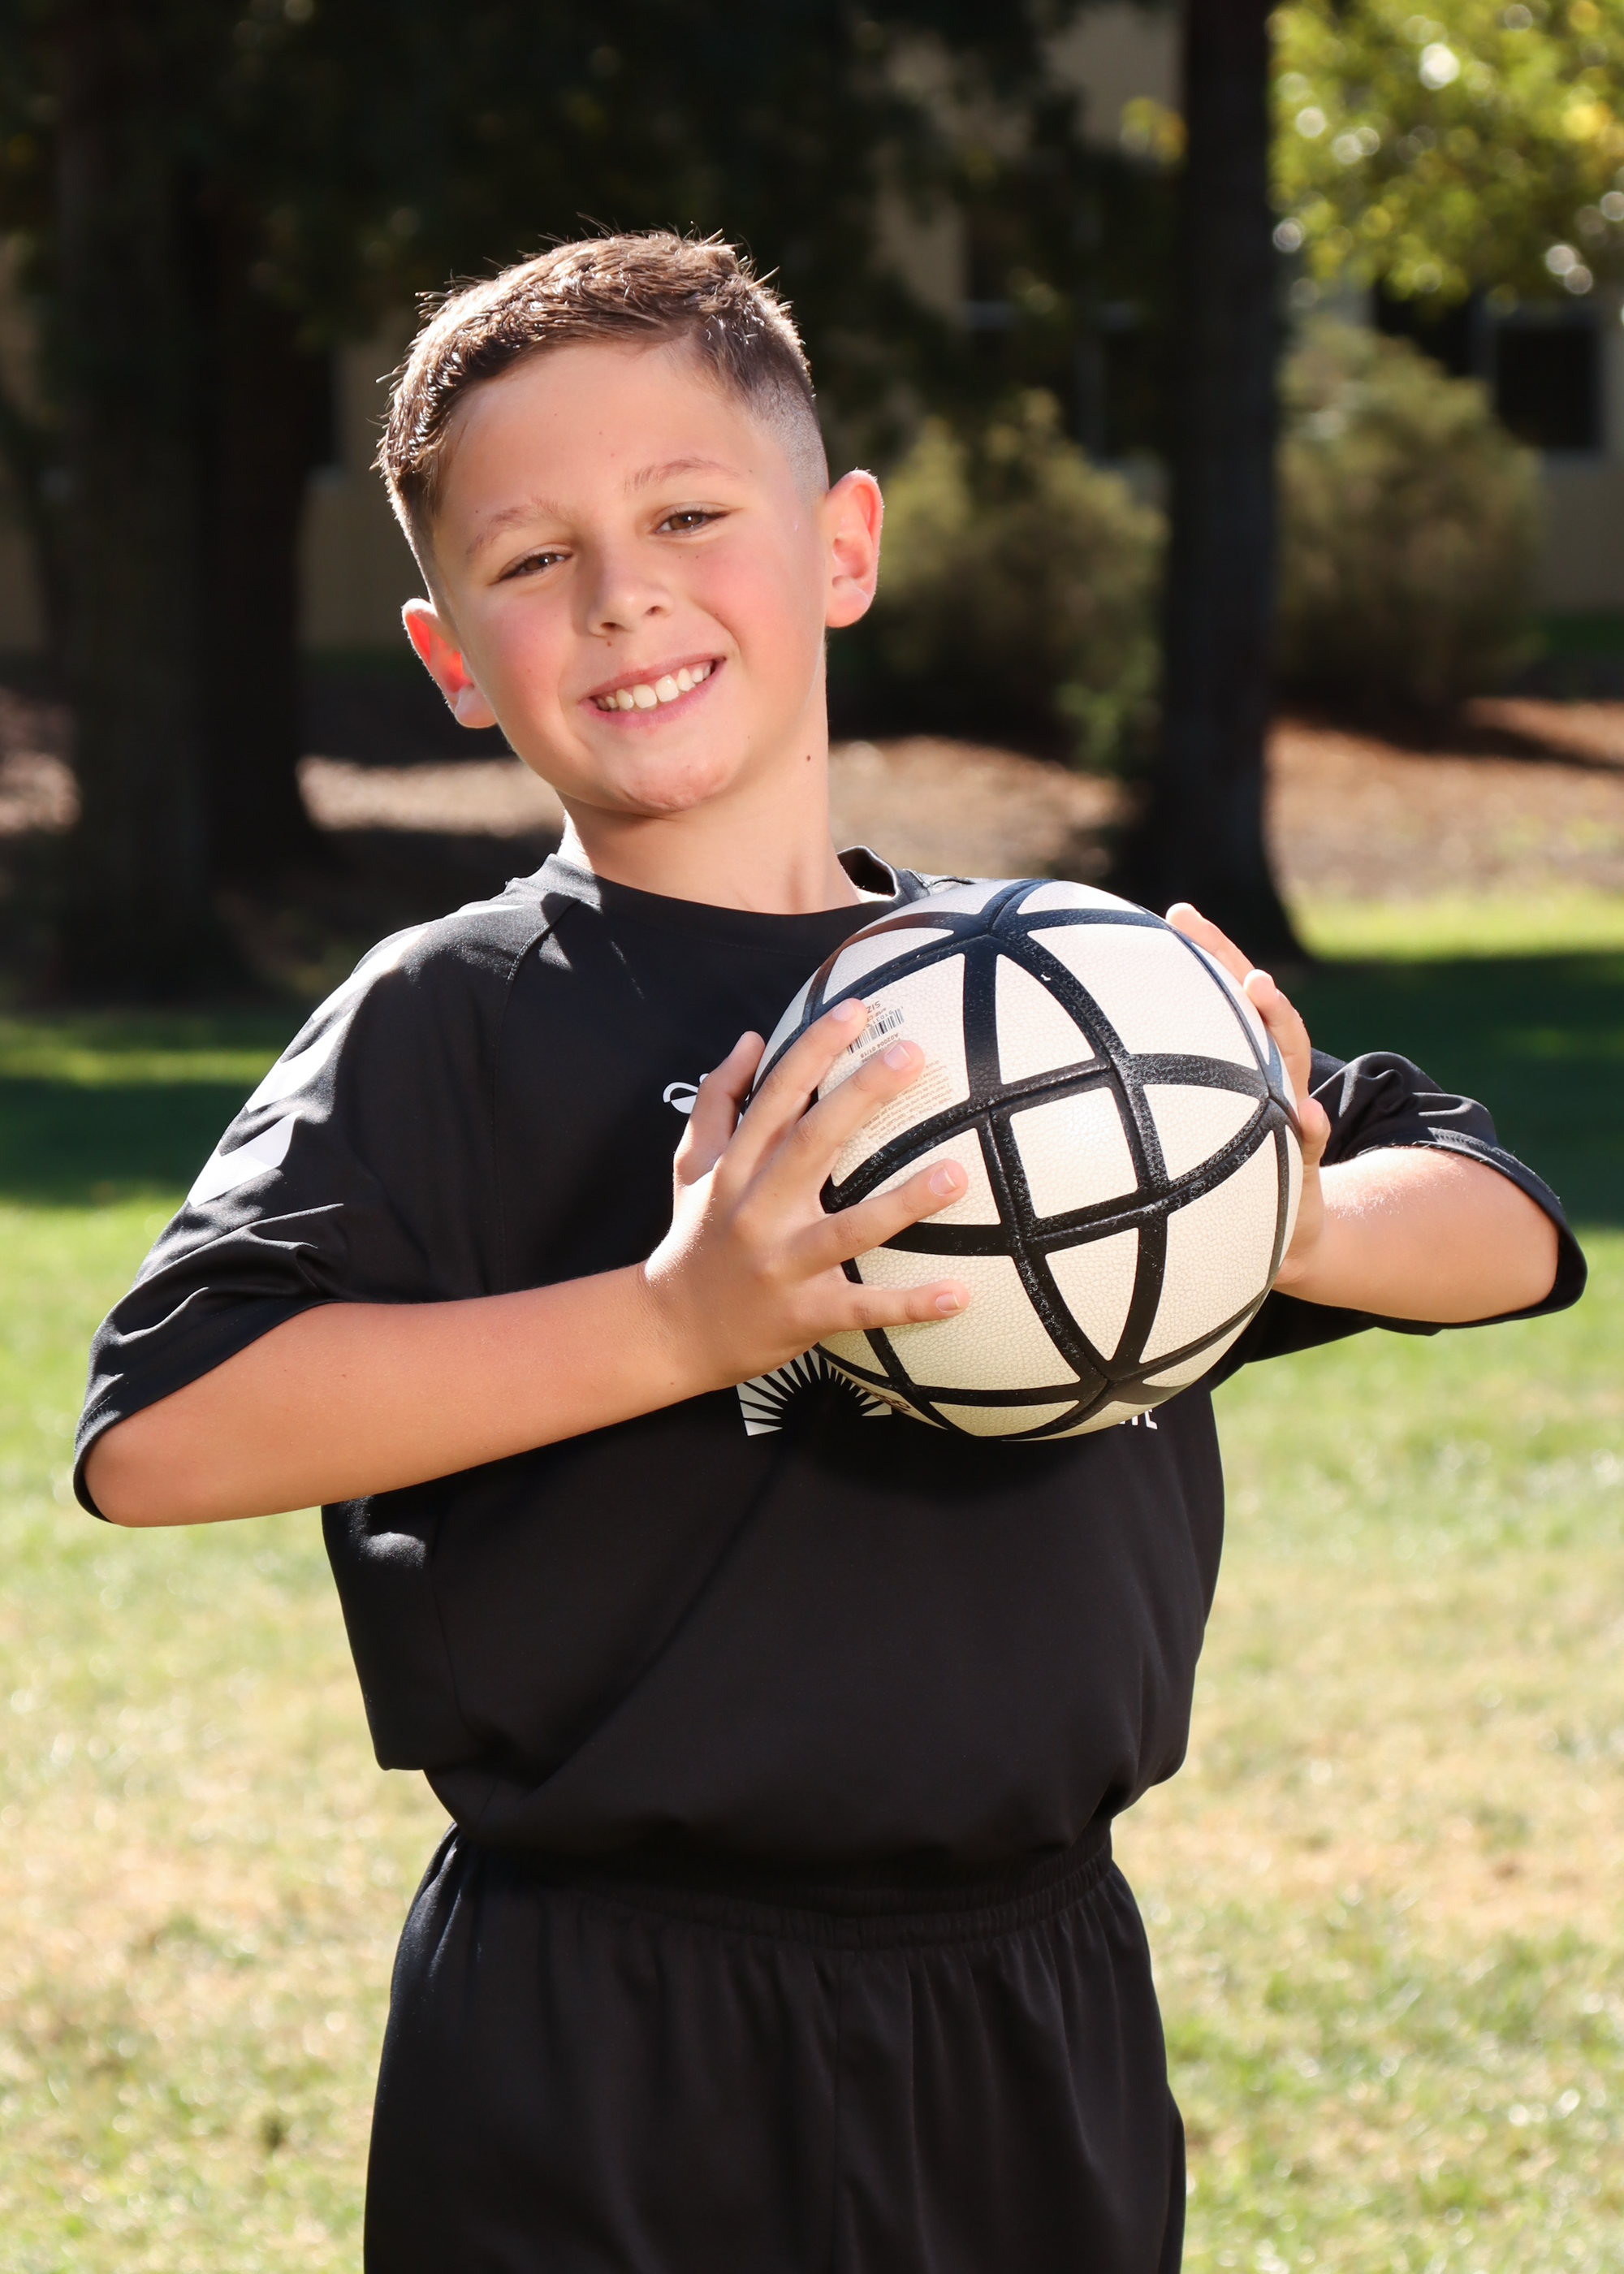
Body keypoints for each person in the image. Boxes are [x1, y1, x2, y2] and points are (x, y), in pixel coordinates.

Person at [74, 234, 1583, 2274]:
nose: (622, 593)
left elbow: (1501, 1223)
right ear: (450, 656)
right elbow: (160, 1433)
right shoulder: (455, 1016)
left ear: (843, 543)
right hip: (602, 2018)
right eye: (533, 557)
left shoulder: (1059, 1000)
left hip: (1032, 1991)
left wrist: (1269, 1202)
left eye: (689, 513)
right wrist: (674, 1318)